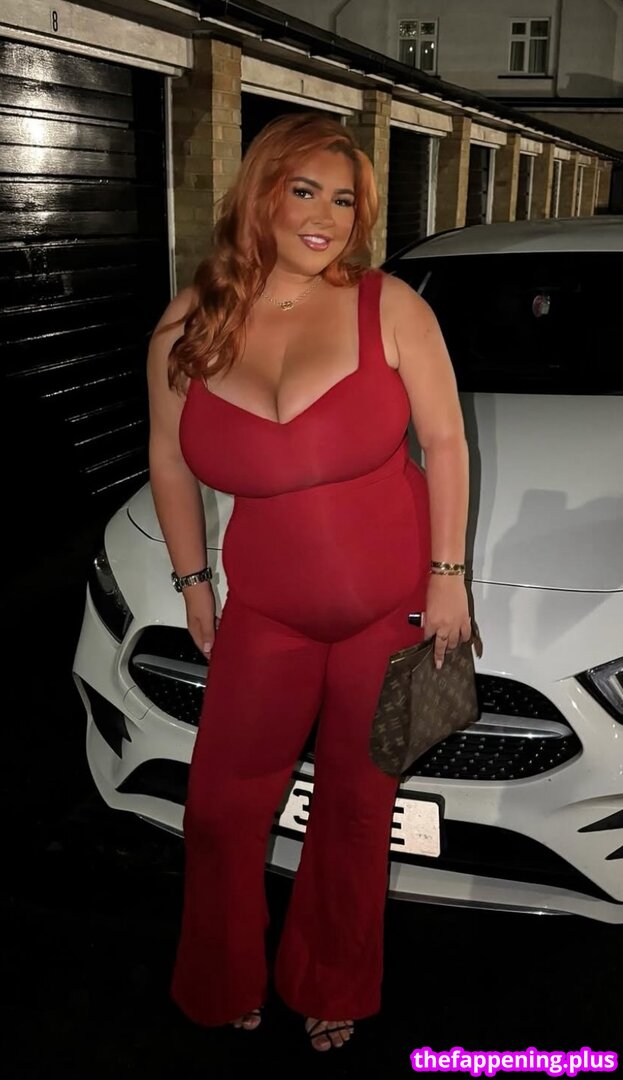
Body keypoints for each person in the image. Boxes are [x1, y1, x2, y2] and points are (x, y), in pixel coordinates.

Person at [147, 112, 472, 1052]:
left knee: (357, 808)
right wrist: (191, 580)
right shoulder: (188, 323)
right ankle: (220, 976)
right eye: (305, 192)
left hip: (387, 607)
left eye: (344, 200)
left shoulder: (389, 305)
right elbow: (168, 460)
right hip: (266, 613)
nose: (327, 217)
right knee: (220, 808)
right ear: (260, 194)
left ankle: (332, 979)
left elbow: (445, 441)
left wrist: (447, 575)